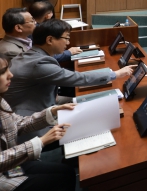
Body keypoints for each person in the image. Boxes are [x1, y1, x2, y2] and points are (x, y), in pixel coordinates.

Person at [4, 19, 136, 119]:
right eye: (66, 38)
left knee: (92, 100)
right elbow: (77, 78)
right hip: (31, 118)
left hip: (44, 102)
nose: (68, 43)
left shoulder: (32, 54)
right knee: (100, 111)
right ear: (50, 40)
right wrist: (115, 74)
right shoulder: (39, 63)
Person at [0, 54, 77, 191]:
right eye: (3, 71)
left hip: (10, 168)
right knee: (60, 183)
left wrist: (51, 112)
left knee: (67, 172)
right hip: (3, 178)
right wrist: (40, 142)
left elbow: (18, 124)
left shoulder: (1, 100)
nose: (10, 75)